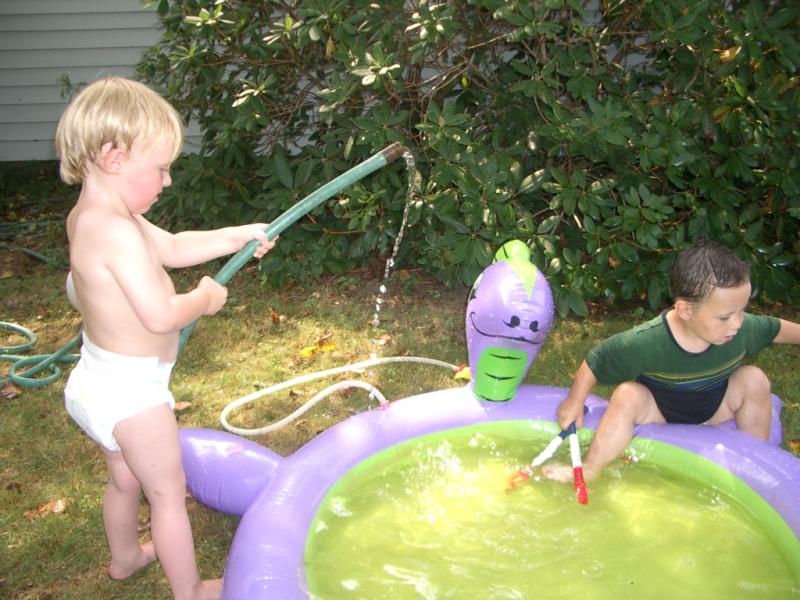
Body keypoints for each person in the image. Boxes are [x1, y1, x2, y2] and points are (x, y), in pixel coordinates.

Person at [55, 76, 275, 600]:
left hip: (98, 380)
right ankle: (191, 590)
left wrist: (237, 236)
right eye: (160, 168)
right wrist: (204, 298)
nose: (168, 180)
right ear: (114, 158)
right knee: (168, 494)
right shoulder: (117, 231)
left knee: (124, 479)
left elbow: (173, 247)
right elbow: (159, 316)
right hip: (133, 394)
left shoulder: (99, 217)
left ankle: (126, 557)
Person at [543, 239, 800, 483]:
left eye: (741, 311)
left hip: (716, 407)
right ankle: (591, 469)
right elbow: (597, 361)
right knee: (627, 394)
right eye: (725, 317)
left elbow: (778, 329)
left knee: (753, 378)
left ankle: (756, 463)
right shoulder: (648, 341)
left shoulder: (742, 330)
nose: (737, 323)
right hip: (660, 410)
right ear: (685, 310)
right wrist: (575, 402)